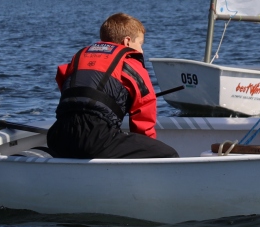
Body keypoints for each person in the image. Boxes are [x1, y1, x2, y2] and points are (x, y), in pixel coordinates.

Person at [47, 13, 178, 160]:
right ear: (127, 41)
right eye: (140, 44)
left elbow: (68, 86)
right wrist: (146, 146)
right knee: (168, 154)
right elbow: (144, 116)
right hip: (95, 140)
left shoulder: (78, 58)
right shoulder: (131, 65)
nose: (141, 51)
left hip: (58, 136)